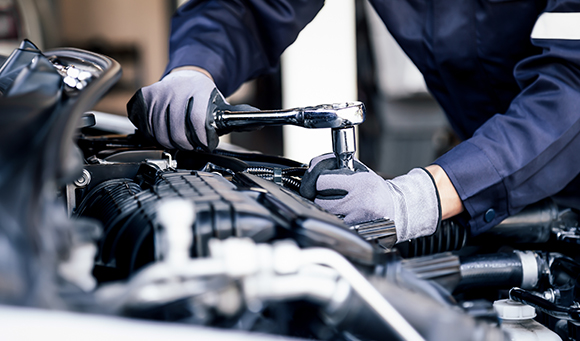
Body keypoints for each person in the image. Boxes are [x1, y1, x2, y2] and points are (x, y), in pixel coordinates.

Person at [128, 1, 580, 244]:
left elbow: (573, 87)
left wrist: (423, 197)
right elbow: (249, 7)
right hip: (495, 180)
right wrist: (195, 67)